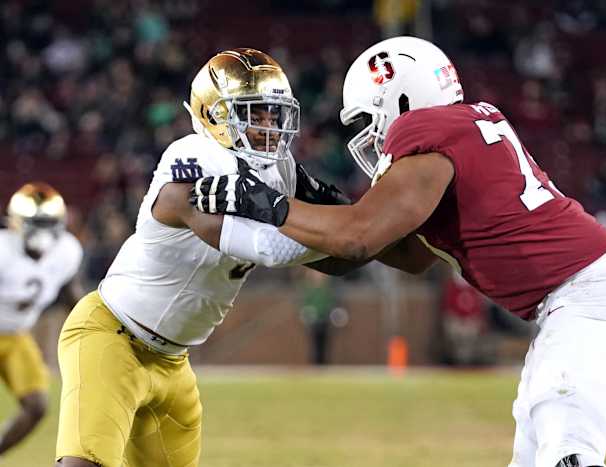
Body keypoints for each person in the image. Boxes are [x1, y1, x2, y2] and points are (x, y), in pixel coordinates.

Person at [191, 37, 606, 467]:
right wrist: (321, 210)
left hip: (594, 295)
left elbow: (357, 237)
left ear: (400, 99)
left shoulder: (427, 133)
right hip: (588, 295)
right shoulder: (463, 131)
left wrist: (269, 205)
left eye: (369, 118)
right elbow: (405, 254)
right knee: (533, 452)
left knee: (566, 444)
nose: (372, 136)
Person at [53, 49, 359, 467]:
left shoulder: (279, 170)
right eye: (255, 113)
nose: (268, 126)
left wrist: (351, 231)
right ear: (214, 115)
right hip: (112, 336)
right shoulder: (194, 158)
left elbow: (343, 260)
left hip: (175, 363)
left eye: (273, 114)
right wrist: (342, 231)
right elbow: (268, 247)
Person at [0, 182, 83, 457]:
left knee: (37, 406)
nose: (42, 231)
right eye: (35, 222)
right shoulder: (3, 249)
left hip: (16, 335)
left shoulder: (67, 252)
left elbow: (71, 292)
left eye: (48, 222)